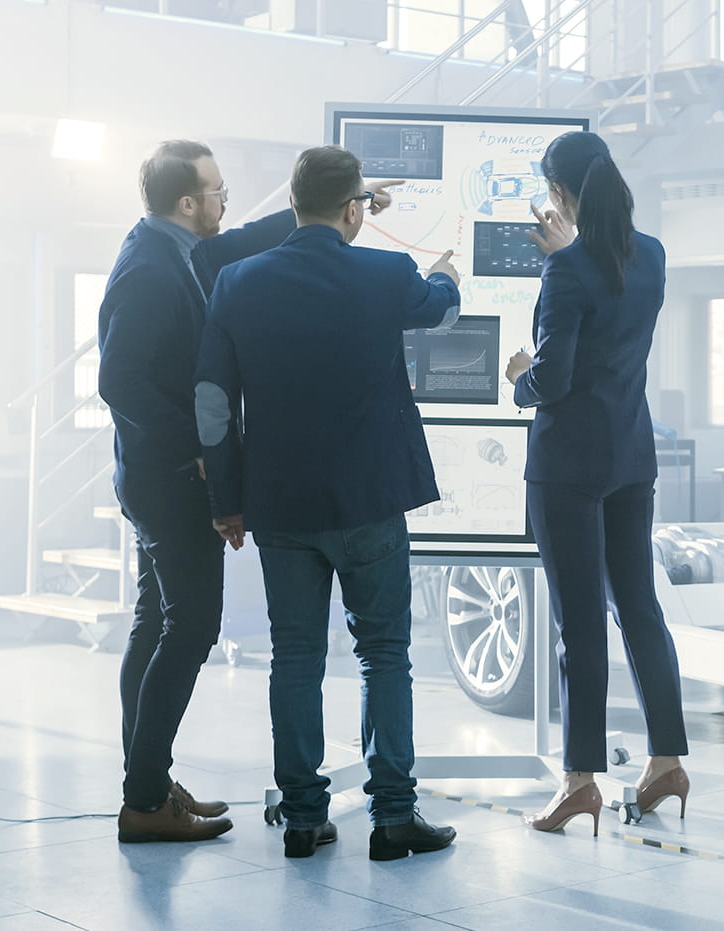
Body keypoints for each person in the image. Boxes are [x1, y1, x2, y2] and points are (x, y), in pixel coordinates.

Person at [195, 144, 462, 861]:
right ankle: (394, 816)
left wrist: (226, 499)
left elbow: (213, 401)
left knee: (295, 656)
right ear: (353, 210)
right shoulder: (386, 273)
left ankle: (304, 817)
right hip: (370, 499)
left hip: (279, 505)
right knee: (385, 653)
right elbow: (439, 312)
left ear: (291, 204)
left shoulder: (237, 281)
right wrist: (444, 275)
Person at [98, 139, 331, 843]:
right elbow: (118, 381)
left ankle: (147, 782)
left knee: (154, 623)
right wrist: (197, 447)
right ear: (187, 201)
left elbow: (240, 240)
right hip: (169, 480)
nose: (225, 202)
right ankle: (144, 800)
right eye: (218, 192)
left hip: (153, 476)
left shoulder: (174, 247)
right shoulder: (150, 270)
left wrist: (317, 209)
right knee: (192, 627)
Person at [504, 131, 690, 835]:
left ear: (558, 194)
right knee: (639, 610)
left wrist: (520, 376)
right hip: (630, 457)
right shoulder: (654, 256)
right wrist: (571, 252)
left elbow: (552, 379)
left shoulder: (567, 270)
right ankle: (666, 762)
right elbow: (610, 301)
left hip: (568, 468)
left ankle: (579, 781)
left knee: (578, 625)